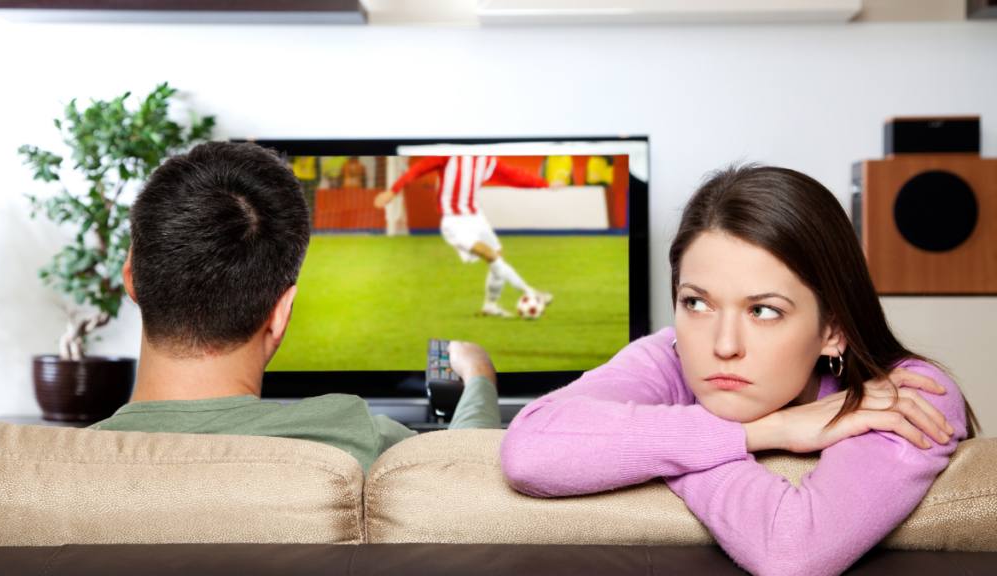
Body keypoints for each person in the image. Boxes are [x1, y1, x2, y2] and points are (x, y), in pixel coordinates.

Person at [498, 165, 979, 576]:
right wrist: (767, 430)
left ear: (833, 329)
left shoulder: (907, 396)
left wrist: (667, 448)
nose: (723, 346)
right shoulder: (670, 354)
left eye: (764, 310)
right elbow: (529, 448)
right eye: (697, 303)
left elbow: (792, 552)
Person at [89, 142, 501, 475]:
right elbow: (465, 478)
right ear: (281, 313)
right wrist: (479, 378)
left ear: (131, 277)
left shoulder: (51, 464)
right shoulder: (354, 442)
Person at [373, 155, 559, 317]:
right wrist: (393, 191)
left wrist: (545, 184)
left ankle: (490, 306)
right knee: (491, 255)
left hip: (476, 217)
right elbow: (417, 169)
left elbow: (515, 176)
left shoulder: (485, 159)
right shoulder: (447, 155)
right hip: (454, 221)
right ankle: (531, 292)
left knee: (497, 258)